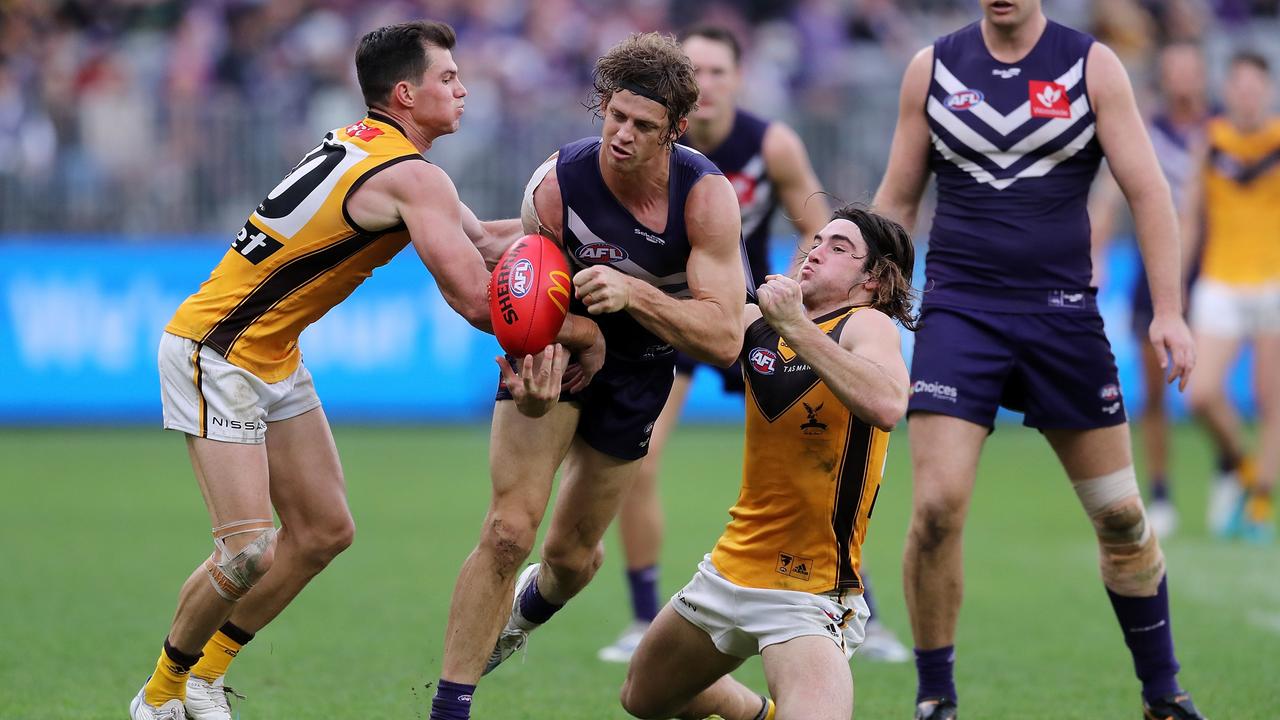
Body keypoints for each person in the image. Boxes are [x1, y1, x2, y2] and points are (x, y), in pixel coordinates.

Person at [131, 21, 601, 720]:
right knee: (247, 552)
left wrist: (592, 239)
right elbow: (480, 300)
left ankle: (206, 676)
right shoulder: (414, 176)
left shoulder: (373, 148)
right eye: (448, 79)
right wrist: (586, 328)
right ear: (406, 94)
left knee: (322, 530)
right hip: (216, 350)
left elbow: (481, 238)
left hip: (270, 353)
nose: (463, 89)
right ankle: (161, 695)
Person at [872, 1, 1202, 718]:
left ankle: (1162, 693)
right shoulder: (932, 69)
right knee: (934, 509)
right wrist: (860, 305)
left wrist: (1170, 311)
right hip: (960, 314)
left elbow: (1149, 191)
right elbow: (896, 200)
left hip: (1063, 320)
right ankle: (936, 698)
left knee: (1121, 519)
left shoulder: (1092, 66)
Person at [427, 32, 746, 720]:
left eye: (644, 126)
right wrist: (561, 344)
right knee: (510, 530)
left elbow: (723, 336)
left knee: (572, 558)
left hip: (645, 367)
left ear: (676, 131)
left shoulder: (706, 199)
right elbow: (519, 293)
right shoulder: (555, 186)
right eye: (615, 117)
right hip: (559, 345)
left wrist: (637, 297)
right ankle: (450, 706)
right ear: (601, 105)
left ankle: (528, 611)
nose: (623, 135)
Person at [598, 24, 907, 666]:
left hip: (759, 311)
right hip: (692, 309)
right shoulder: (653, 145)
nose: (707, 85)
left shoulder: (771, 144)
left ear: (737, 80)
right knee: (643, 456)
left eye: (718, 72)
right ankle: (639, 614)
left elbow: (823, 230)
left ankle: (854, 599)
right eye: (696, 73)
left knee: (822, 449)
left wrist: (803, 302)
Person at [619, 205, 918, 720]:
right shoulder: (756, 322)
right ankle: (759, 714)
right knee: (642, 698)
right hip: (728, 569)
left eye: (839, 248)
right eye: (818, 239)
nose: (816, 249)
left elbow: (889, 403)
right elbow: (685, 323)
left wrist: (797, 326)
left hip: (808, 591)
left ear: (874, 281)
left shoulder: (866, 325)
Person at [1089, 41, 1211, 539]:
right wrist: (1094, 249)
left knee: (1209, 392)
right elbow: (1110, 193)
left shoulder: (1218, 130)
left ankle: (1233, 465)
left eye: (1190, 68)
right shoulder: (1146, 130)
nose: (1182, 78)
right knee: (1156, 389)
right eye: (1173, 68)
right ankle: (1161, 490)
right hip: (1157, 267)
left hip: (1218, 266)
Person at [1184, 50, 1280, 544]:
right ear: (1229, 90)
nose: (1246, 93)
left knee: (1271, 400)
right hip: (1220, 279)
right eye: (1238, 85)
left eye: (1254, 85)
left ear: (1266, 90)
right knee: (1200, 393)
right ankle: (1243, 465)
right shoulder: (1211, 141)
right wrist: (1175, 282)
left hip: (1273, 283)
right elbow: (1191, 216)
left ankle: (1260, 501)